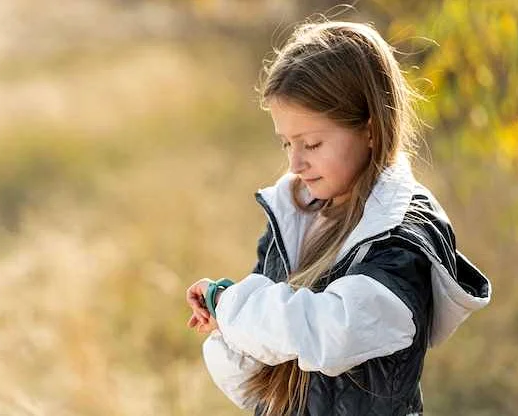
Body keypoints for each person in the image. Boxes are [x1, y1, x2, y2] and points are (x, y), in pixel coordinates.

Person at [184, 20, 492, 416]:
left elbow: (331, 332)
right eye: (286, 143)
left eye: (311, 143)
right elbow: (261, 385)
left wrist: (235, 307)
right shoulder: (294, 216)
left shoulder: (403, 237)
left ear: (369, 129)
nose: (295, 164)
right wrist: (226, 324)